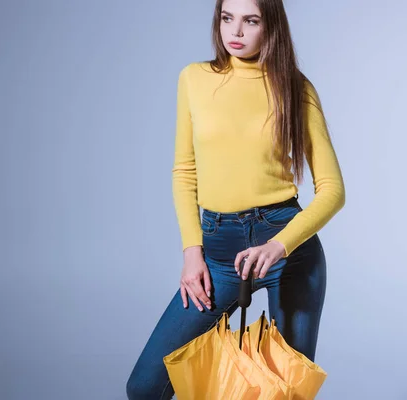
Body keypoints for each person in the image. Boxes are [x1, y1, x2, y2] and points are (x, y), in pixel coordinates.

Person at [126, 0, 345, 398]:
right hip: (219, 250)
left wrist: (279, 245)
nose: (236, 32)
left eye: (250, 21)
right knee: (144, 387)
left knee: (285, 392)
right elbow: (184, 171)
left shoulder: (296, 87)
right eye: (228, 18)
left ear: (270, 26)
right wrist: (193, 252)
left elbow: (333, 190)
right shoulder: (194, 79)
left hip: (287, 248)